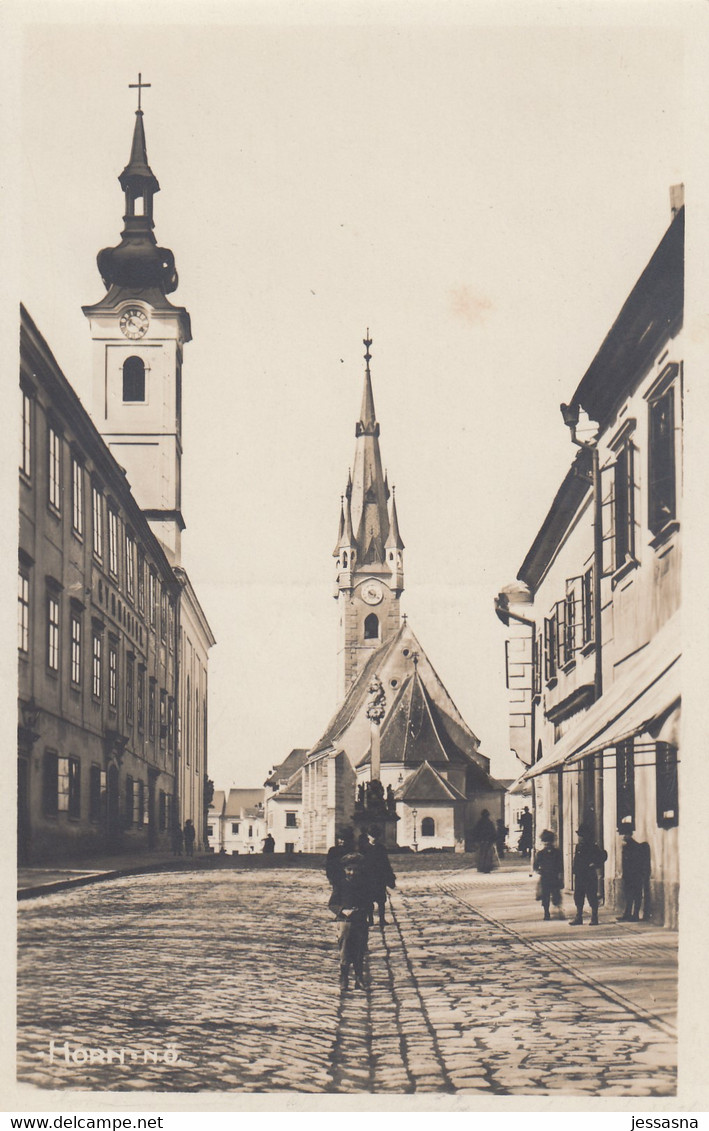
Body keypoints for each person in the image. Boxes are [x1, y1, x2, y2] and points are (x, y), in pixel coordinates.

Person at [330, 851, 370, 991]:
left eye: (355, 870)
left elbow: (369, 903)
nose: (352, 873)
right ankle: (344, 978)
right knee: (345, 951)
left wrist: (361, 910)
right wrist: (342, 911)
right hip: (345, 922)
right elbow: (332, 904)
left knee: (359, 950)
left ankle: (359, 979)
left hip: (360, 921)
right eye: (349, 869)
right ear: (344, 869)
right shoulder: (340, 885)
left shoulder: (364, 885)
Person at [570, 823, 607, 925]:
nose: (579, 838)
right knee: (578, 896)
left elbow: (603, 855)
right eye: (579, 835)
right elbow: (576, 860)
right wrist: (574, 870)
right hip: (579, 875)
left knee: (592, 896)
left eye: (581, 835)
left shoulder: (592, 847)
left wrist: (594, 864)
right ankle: (579, 917)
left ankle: (594, 917)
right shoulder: (578, 847)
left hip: (589, 875)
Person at [361, 828, 396, 927]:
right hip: (368, 878)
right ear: (368, 836)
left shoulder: (381, 848)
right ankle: (370, 919)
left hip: (379, 878)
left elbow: (386, 863)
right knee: (368, 901)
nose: (374, 838)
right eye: (372, 836)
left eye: (376, 836)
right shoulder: (364, 848)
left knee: (381, 900)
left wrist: (389, 875)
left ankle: (382, 919)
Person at [617, 833, 650, 921]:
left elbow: (637, 862)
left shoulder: (636, 847)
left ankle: (635, 914)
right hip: (628, 875)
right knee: (628, 895)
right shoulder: (626, 847)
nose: (624, 837)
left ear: (630, 835)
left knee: (636, 895)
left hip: (635, 875)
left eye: (625, 835)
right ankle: (627, 913)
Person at [533, 829, 564, 920]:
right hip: (545, 877)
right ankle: (546, 913)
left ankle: (559, 910)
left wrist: (560, 875)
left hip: (554, 876)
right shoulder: (540, 854)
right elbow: (535, 865)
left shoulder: (557, 853)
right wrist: (539, 870)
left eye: (549, 842)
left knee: (556, 895)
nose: (547, 844)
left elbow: (560, 865)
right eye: (545, 842)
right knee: (545, 896)